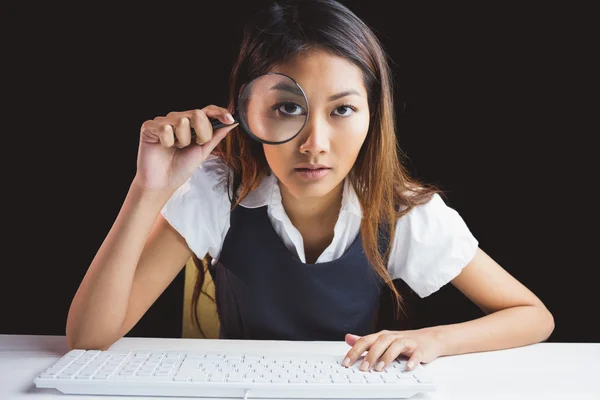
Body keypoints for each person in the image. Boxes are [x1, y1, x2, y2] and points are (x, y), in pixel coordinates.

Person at [66, 0, 554, 373]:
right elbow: (88, 338)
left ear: (372, 117)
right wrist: (149, 186)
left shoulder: (402, 211)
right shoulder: (217, 193)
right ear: (249, 112)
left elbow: (532, 315)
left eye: (342, 109)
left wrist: (435, 340)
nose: (314, 144)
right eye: (287, 108)